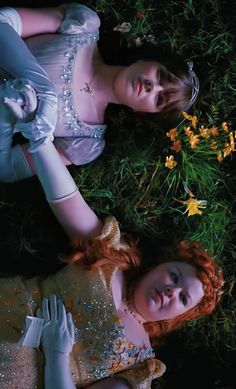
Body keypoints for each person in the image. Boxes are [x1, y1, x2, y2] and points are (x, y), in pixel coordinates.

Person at [0, 82, 223, 389]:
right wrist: (40, 139)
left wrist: (56, 353)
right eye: (173, 276)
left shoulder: (139, 364)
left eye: (182, 297)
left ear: (180, 315)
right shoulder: (112, 257)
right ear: (160, 266)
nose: (171, 291)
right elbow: (67, 201)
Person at [0, 3, 199, 184]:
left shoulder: (86, 141)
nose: (152, 86)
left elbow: (7, 169)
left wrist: (5, 119)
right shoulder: (83, 26)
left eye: (158, 99)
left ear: (145, 113)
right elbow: (4, 20)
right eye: (161, 77)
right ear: (147, 60)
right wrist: (42, 87)